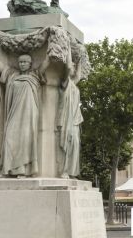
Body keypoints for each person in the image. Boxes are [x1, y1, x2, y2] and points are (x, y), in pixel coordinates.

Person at [0, 35, 50, 176]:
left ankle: (23, 171)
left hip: (29, 114)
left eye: (25, 62)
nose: (22, 64)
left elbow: (46, 62)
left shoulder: (35, 75)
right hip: (14, 113)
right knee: (9, 139)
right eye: (20, 62)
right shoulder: (12, 75)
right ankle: (6, 169)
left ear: (30, 64)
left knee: (25, 142)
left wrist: (52, 44)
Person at [56, 47, 83, 179]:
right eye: (71, 66)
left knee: (75, 145)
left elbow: (78, 75)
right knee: (67, 143)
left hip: (75, 119)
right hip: (67, 119)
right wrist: (67, 48)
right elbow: (67, 68)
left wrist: (79, 59)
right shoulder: (65, 82)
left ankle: (72, 172)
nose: (72, 67)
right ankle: (64, 171)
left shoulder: (74, 84)